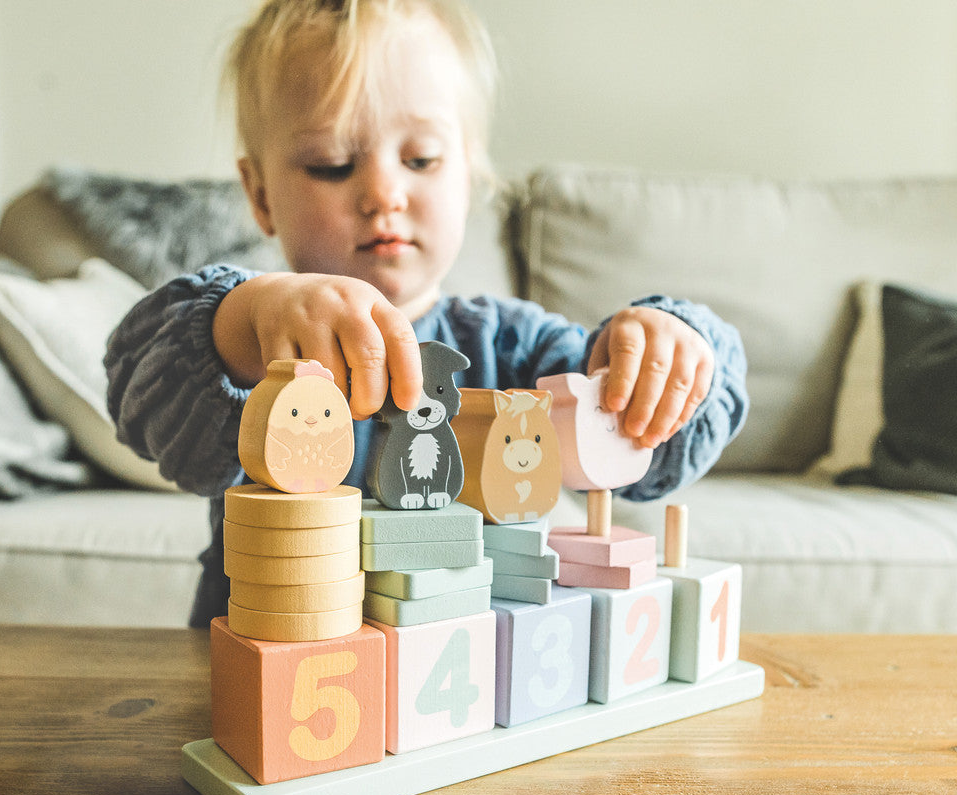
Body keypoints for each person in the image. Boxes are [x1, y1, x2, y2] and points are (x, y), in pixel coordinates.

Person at [105, 0, 748, 627]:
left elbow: (651, 459)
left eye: (421, 160)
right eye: (332, 164)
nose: (384, 193)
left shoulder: (515, 352)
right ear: (261, 195)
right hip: (267, 679)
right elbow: (143, 401)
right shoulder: (259, 339)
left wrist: (676, 347)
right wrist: (243, 322)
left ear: (469, 176)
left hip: (473, 684)